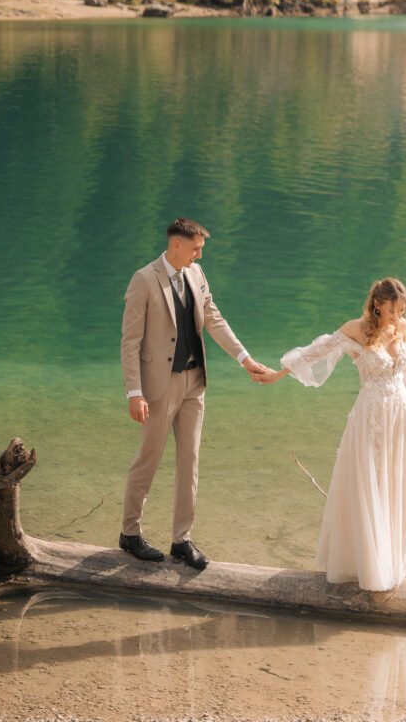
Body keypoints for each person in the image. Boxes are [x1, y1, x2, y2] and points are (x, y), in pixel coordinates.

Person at [257, 278, 406, 591]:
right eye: (393, 310)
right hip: (370, 417)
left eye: (402, 310)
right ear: (377, 304)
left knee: (391, 485)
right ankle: (366, 568)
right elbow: (315, 352)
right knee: (368, 486)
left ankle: (387, 563)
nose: (398, 316)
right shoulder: (354, 329)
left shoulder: (402, 327)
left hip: (399, 415)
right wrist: (278, 374)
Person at [120, 217, 266, 568]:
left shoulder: (197, 276)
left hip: (194, 382)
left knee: (191, 461)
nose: (199, 257)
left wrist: (244, 359)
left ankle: (181, 540)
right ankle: (129, 533)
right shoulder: (143, 280)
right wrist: (134, 392)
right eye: (196, 249)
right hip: (158, 385)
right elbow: (130, 342)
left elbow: (213, 318)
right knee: (148, 459)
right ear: (176, 245)